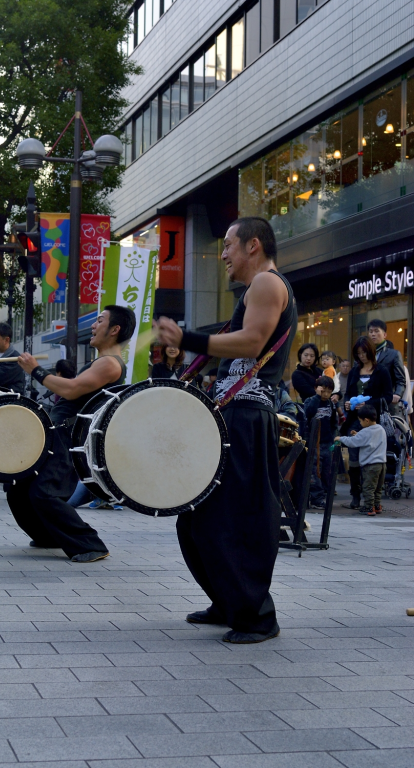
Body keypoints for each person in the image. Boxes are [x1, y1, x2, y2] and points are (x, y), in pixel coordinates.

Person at [155, 216, 297, 644]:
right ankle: (228, 599)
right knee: (197, 520)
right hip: (233, 415)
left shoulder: (268, 285)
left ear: (253, 245)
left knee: (231, 521)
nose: (223, 255)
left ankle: (256, 617)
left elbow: (253, 343)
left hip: (248, 418)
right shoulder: (254, 291)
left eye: (228, 245)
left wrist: (192, 339)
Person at [10, 305, 136, 562]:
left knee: (45, 492)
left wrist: (36, 370)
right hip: (55, 431)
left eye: (99, 320)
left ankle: (90, 544)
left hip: (67, 436)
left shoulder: (111, 364)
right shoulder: (100, 361)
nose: (93, 325)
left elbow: (72, 389)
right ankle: (49, 536)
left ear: (114, 329)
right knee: (19, 488)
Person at [342, 336, 393, 509]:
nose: (362, 356)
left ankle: (371, 498)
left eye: (364, 352)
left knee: (372, 461)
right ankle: (355, 495)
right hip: (355, 421)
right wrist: (348, 404)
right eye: (358, 353)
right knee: (354, 459)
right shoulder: (355, 371)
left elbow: (387, 397)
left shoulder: (382, 371)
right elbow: (348, 393)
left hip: (373, 422)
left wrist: (368, 404)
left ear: (370, 351)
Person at [335, 404, 387, 516]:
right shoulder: (381, 429)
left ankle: (368, 507)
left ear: (366, 420)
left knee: (368, 487)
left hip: (370, 465)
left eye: (361, 421)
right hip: (382, 464)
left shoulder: (365, 432)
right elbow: (370, 439)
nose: (360, 423)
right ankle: (377, 506)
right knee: (377, 487)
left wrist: (340, 438)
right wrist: (358, 434)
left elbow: (353, 442)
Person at [303, 375, 338, 509]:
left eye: (329, 391)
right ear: (316, 389)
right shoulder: (310, 401)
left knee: (326, 472)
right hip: (313, 443)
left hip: (327, 442)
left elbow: (334, 422)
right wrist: (317, 397)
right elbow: (308, 413)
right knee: (314, 471)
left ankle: (323, 497)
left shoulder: (331, 404)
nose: (326, 394)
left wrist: (333, 438)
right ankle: (316, 498)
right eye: (323, 390)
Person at [367, 320, 406, 413]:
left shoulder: (394, 354)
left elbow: (400, 380)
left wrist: (397, 394)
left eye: (376, 331)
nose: (373, 334)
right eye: (371, 331)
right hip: (366, 402)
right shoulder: (363, 354)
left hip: (386, 402)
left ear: (384, 335)